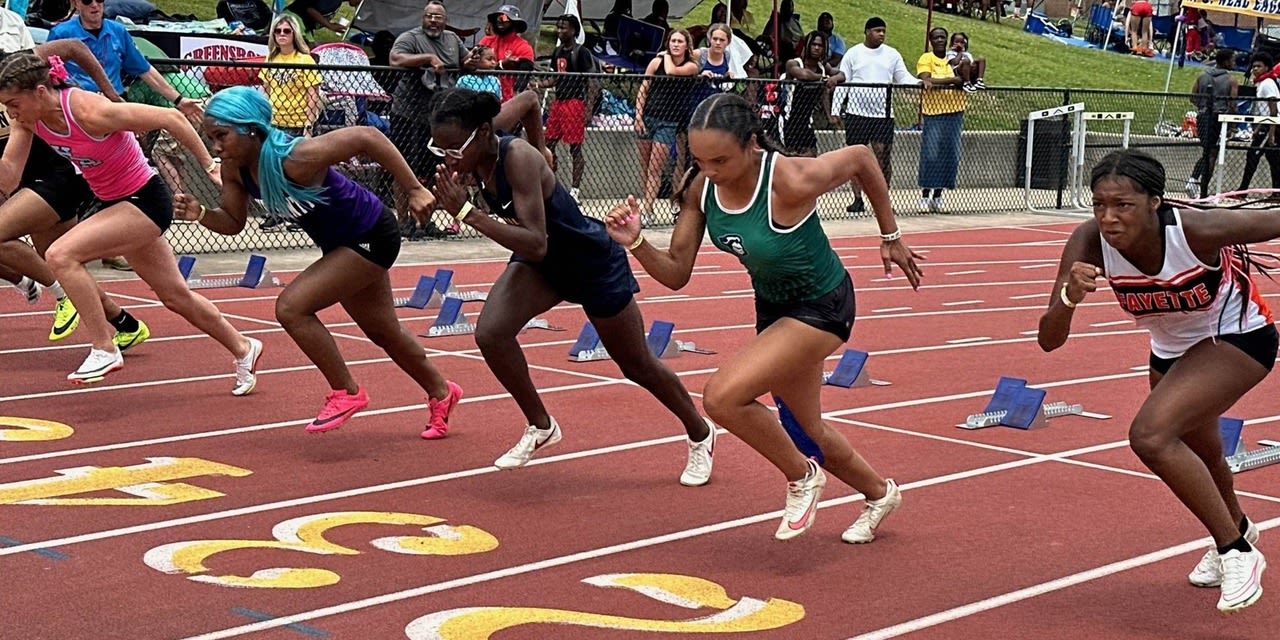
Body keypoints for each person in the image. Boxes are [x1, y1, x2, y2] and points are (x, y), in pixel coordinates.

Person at [605, 93, 924, 541]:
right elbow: (676, 273)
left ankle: (802, 477)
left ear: (752, 144)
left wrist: (890, 234)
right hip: (775, 310)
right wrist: (635, 242)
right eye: (699, 159)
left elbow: (861, 157)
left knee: (721, 398)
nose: (710, 171)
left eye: (720, 160)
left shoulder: (789, 179)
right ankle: (879, 493)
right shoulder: (701, 187)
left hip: (823, 303)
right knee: (807, 427)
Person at [426, 88, 716, 486]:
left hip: (589, 262)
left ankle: (700, 432)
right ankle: (541, 425)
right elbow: (529, 100)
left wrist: (466, 211)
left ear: (481, 132)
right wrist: (547, 150)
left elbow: (535, 240)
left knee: (637, 366)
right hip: (543, 266)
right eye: (439, 148)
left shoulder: (517, 160)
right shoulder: (479, 146)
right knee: (491, 333)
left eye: (454, 148)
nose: (447, 157)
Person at [1038, 149, 1269, 613]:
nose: (1108, 217)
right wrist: (1069, 296)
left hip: (1237, 339)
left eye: (1122, 205)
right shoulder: (1088, 242)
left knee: (1149, 436)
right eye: (1099, 204)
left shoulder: (1197, 231)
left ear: (1155, 202)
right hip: (1170, 353)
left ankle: (1236, 552)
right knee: (1205, 455)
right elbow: (1049, 340)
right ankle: (1240, 527)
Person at [173, 86, 463, 436]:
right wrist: (201, 212)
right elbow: (233, 223)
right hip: (341, 244)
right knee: (383, 331)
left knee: (292, 307)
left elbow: (368, 136)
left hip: (372, 234)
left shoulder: (296, 157)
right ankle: (442, 392)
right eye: (211, 138)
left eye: (222, 135)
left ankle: (346, 392)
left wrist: (414, 188)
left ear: (251, 128)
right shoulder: (236, 169)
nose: (216, 147)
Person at [0, 52, 262, 389]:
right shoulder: (28, 121)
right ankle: (244, 347)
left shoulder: (88, 111)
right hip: (116, 204)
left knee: (60, 255)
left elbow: (172, 118)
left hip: (144, 199)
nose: (10, 112)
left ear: (39, 91)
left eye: (13, 103)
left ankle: (104, 347)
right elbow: (8, 179)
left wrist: (209, 165)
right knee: (175, 296)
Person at [916, 27, 966, 213]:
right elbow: (925, 79)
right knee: (931, 154)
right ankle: (924, 196)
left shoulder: (955, 59)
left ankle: (938, 196)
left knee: (949, 154)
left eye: (943, 37)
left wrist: (941, 81)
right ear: (930, 40)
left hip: (955, 110)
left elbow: (963, 80)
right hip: (934, 112)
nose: (940, 40)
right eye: (936, 37)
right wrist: (951, 80)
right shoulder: (926, 58)